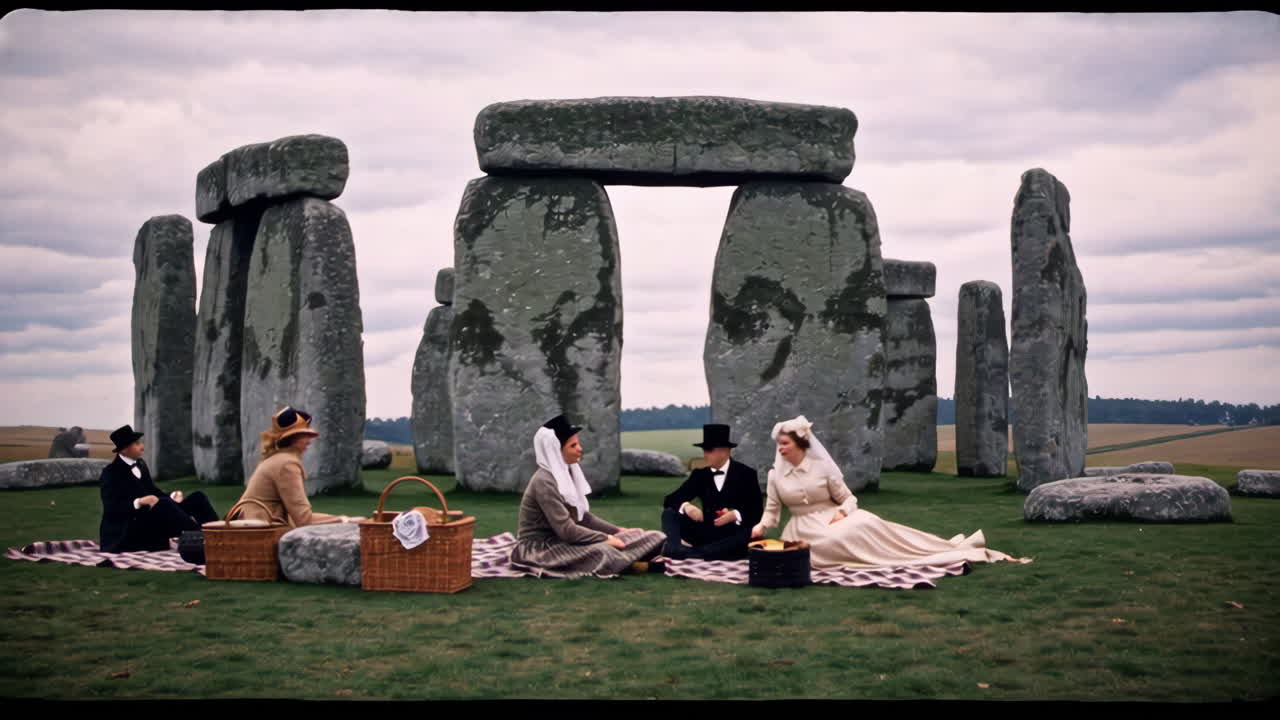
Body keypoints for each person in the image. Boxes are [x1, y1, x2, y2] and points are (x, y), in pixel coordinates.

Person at [751, 415, 1029, 569]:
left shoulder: (824, 470)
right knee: (835, 539)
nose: (780, 449)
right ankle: (885, 556)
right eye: (779, 444)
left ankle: (926, 549)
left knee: (865, 521)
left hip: (833, 516)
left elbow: (849, 498)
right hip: (801, 533)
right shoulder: (777, 476)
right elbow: (772, 514)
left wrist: (843, 512)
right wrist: (760, 527)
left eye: (785, 443)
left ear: (800, 444)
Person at [508, 414, 667, 578]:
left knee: (655, 537)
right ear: (556, 451)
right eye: (573, 445)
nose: (580, 449)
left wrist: (618, 531)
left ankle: (626, 562)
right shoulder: (544, 481)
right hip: (542, 548)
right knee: (604, 552)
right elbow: (566, 531)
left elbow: (582, 518)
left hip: (567, 540)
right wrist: (605, 538)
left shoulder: (566, 473)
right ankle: (633, 565)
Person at [232, 407, 362, 527]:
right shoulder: (287, 464)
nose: (309, 441)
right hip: (261, 532)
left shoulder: (277, 459)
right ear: (293, 438)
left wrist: (342, 518)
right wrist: (345, 521)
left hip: (256, 524)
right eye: (304, 435)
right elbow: (304, 519)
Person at [99, 424, 219, 553]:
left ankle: (220, 534)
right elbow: (112, 507)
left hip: (149, 520)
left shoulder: (141, 465)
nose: (142, 447)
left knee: (197, 498)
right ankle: (201, 540)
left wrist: (172, 495)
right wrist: (139, 502)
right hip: (126, 532)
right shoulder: (110, 473)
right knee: (163, 503)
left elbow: (153, 491)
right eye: (137, 444)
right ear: (124, 450)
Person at [660, 423, 763, 560]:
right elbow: (670, 499)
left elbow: (757, 512)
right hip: (704, 531)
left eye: (709, 450)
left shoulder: (746, 474)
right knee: (669, 513)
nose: (704, 454)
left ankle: (693, 553)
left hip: (733, 534)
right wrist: (687, 507)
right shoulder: (699, 475)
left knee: (750, 533)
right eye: (704, 450)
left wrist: (734, 515)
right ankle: (675, 547)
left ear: (724, 451)